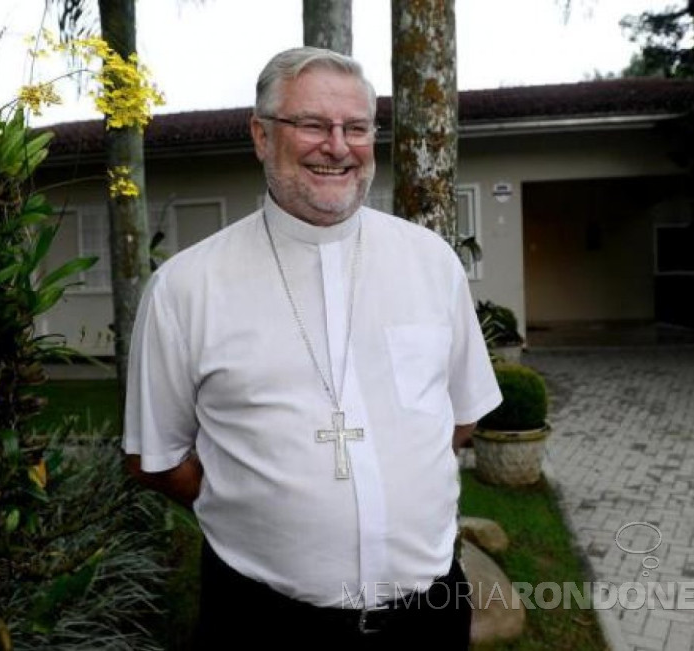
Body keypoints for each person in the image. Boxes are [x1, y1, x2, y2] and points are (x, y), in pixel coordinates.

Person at [123, 46, 502, 650]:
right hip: (262, 622)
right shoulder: (186, 287)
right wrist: (254, 503)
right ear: (260, 134)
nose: (338, 145)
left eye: (357, 127)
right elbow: (157, 460)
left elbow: (461, 417)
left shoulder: (430, 262)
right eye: (311, 124)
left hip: (428, 615)